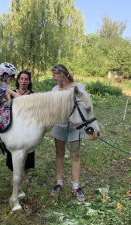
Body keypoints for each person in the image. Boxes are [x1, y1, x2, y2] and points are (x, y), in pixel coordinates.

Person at [49, 64, 86, 201]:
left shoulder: (78, 87)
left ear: (62, 74)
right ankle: (59, 183)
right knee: (59, 154)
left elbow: (84, 104)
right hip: (60, 125)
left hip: (74, 126)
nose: (53, 78)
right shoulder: (55, 90)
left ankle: (76, 186)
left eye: (54, 75)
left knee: (75, 155)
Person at [5, 70, 35, 184]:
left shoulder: (32, 95)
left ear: (29, 81)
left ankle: (25, 175)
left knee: (28, 152)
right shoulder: (11, 93)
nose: (23, 81)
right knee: (13, 152)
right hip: (13, 129)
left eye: (26, 79)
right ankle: (14, 175)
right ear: (18, 80)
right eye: (21, 78)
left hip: (28, 129)